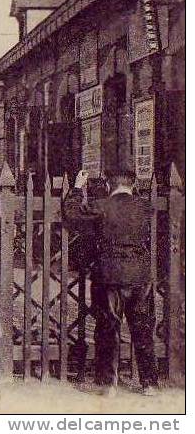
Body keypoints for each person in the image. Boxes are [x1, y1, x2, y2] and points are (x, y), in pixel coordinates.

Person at [63, 168, 159, 397]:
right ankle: (150, 384)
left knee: (108, 329)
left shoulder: (101, 205)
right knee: (143, 329)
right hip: (139, 276)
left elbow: (72, 215)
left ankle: (109, 385)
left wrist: (77, 188)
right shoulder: (146, 207)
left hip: (109, 275)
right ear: (133, 185)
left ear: (108, 185)